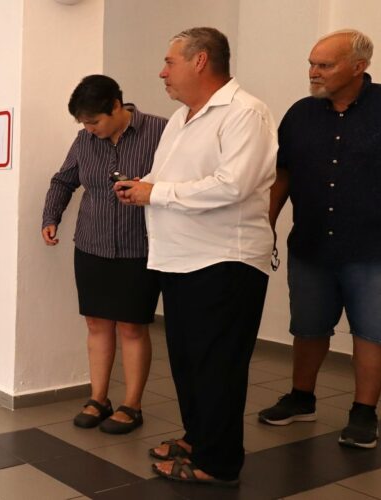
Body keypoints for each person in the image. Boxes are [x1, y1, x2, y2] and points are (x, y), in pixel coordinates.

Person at [258, 30, 381, 449]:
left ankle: (364, 414)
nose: (313, 72)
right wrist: (264, 223)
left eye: (324, 65)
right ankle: (301, 398)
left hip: (379, 247)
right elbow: (282, 174)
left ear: (359, 66)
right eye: (312, 63)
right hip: (312, 245)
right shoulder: (301, 113)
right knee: (308, 327)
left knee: (373, 333)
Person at [116, 27, 276, 486]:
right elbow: (167, 176)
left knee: (218, 366)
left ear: (200, 60)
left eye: (170, 62)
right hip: (179, 258)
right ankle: (198, 438)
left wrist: (155, 193)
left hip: (224, 260)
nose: (162, 72)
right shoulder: (181, 117)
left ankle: (218, 463)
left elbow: (233, 185)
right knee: (188, 361)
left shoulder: (245, 113)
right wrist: (141, 185)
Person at [41, 75, 165, 434]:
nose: (88, 129)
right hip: (91, 244)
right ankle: (99, 398)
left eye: (94, 121)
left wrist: (147, 188)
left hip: (139, 247)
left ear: (115, 106)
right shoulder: (85, 140)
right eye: (83, 123)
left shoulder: (160, 131)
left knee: (131, 326)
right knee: (96, 323)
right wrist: (51, 217)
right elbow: (63, 180)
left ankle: (132, 405)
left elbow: (179, 181)